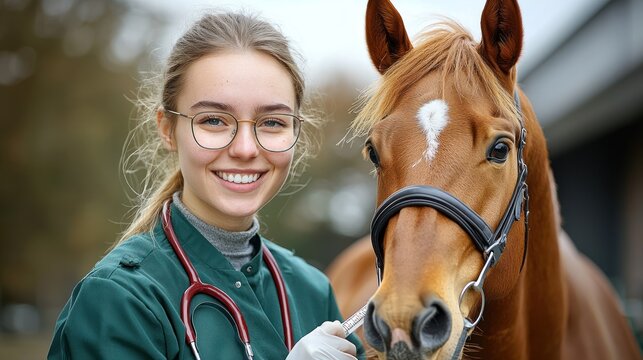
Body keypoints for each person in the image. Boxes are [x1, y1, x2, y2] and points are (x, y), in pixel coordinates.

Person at [48, 11, 364, 360]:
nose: (245, 148)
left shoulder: (311, 290)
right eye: (214, 120)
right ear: (168, 129)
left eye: (272, 122)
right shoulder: (119, 299)